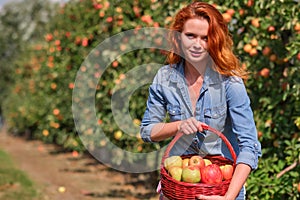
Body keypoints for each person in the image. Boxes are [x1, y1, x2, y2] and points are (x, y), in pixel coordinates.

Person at [140, 1, 261, 200]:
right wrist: (179, 125)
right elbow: (147, 130)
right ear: (179, 37)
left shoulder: (230, 83)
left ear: (215, 40)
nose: (197, 44)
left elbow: (249, 146)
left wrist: (228, 198)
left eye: (205, 38)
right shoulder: (165, 78)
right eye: (191, 36)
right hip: (179, 188)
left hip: (223, 190)